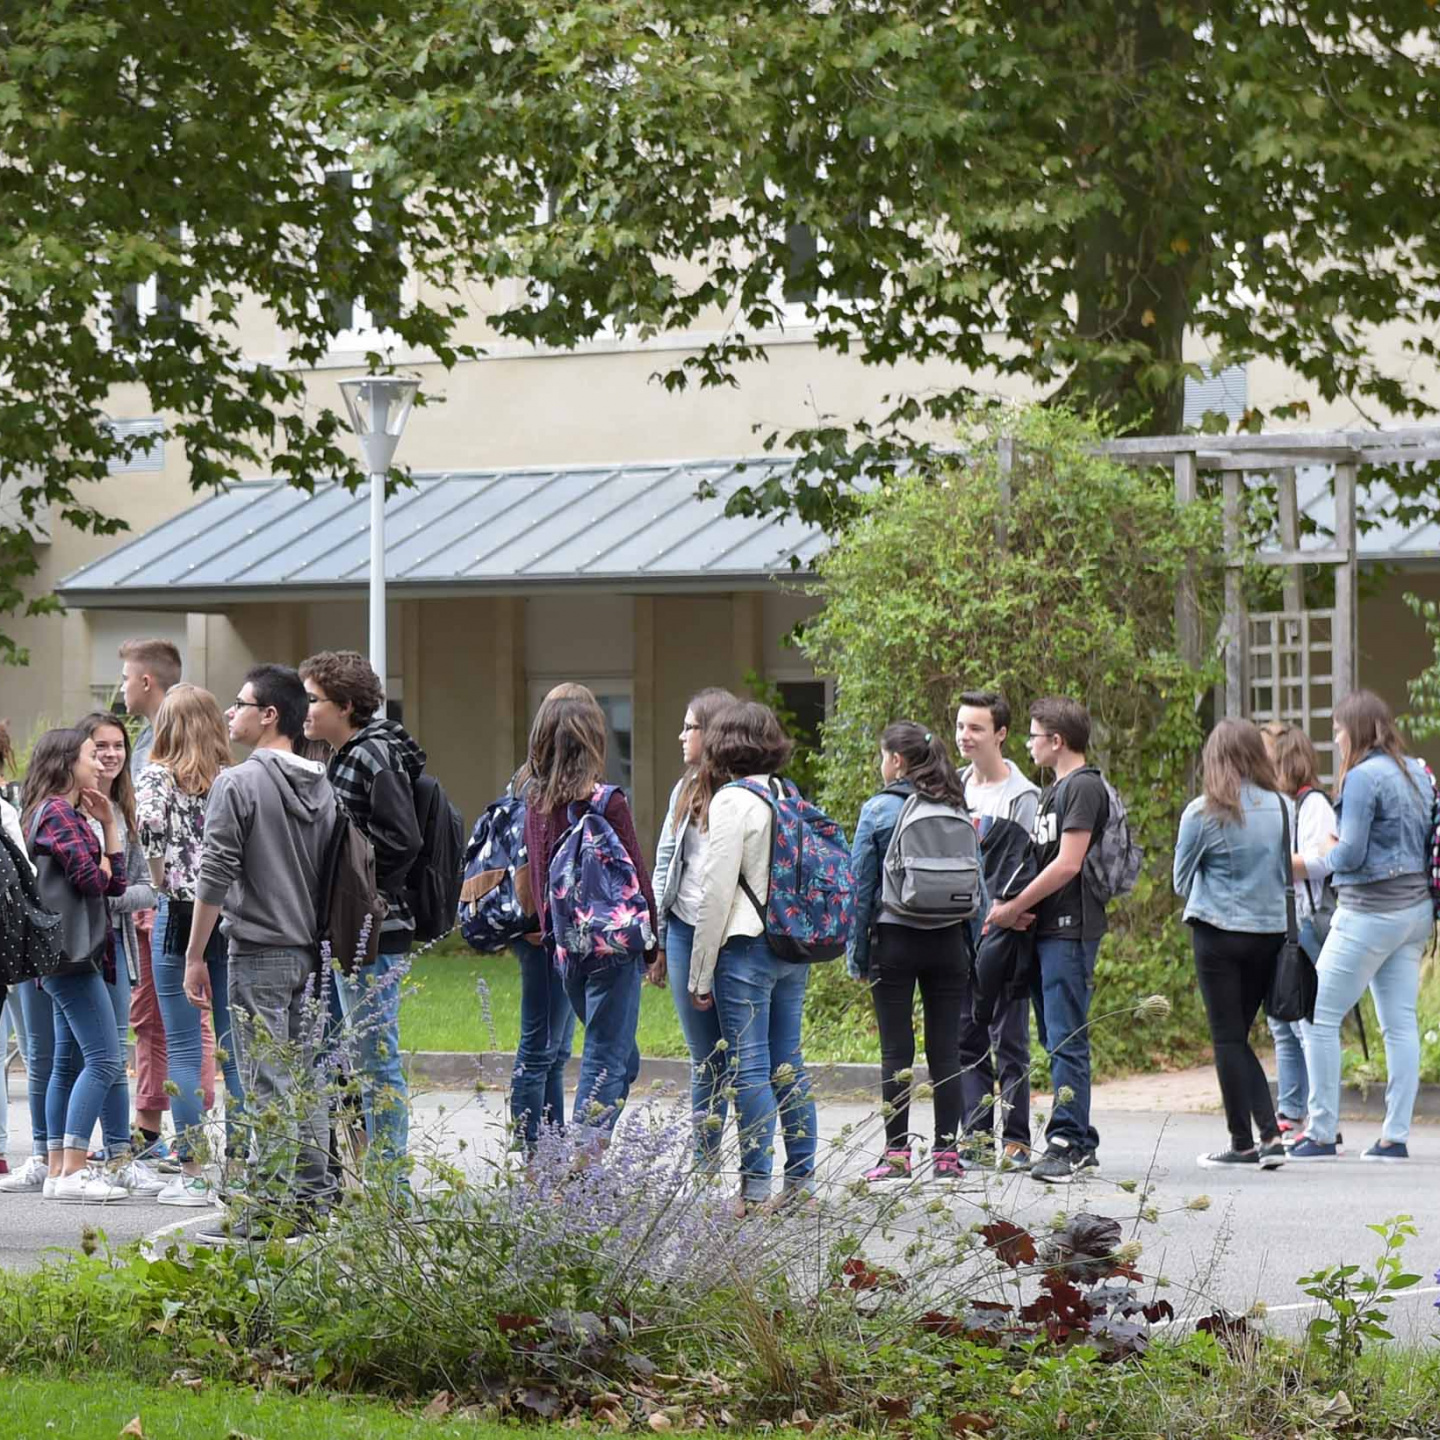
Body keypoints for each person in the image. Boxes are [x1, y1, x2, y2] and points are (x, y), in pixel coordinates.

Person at [186, 665, 338, 1242]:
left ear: (269, 714)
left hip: (256, 949)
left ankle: (269, 1210)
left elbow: (215, 873)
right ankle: (314, 1197)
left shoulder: (238, 783)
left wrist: (194, 953)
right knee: (305, 1076)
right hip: (307, 951)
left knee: (266, 1078)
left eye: (240, 703)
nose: (232, 712)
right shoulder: (321, 783)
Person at [1293, 691, 1436, 1163]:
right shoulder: (1417, 770)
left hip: (1369, 912)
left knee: (1318, 1013)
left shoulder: (1360, 777)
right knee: (1400, 1025)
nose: (1335, 740)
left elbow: (1350, 854)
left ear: (1356, 730)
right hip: (1416, 913)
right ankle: (1394, 1137)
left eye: (1338, 730)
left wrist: (1317, 856)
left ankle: (1321, 1131)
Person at [688, 701, 817, 1215]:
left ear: (724, 744)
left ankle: (754, 1191)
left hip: (745, 949)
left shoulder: (730, 802)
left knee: (751, 1070)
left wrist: (700, 975)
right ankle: (802, 1184)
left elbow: (715, 895)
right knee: (791, 1061)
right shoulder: (789, 794)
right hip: (792, 944)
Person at [300, 649, 426, 1175]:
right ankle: (368, 1171)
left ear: (346, 706)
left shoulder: (373, 755)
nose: (304, 710)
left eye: (313, 700)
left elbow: (402, 840)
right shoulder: (344, 754)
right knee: (357, 1054)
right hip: (353, 926)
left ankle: (390, 1184)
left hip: (374, 930)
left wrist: (363, 892)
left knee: (377, 1060)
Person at [524, 684, 659, 1136]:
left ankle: (584, 1162)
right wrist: (652, 942)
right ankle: (581, 1172)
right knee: (607, 1058)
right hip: (613, 947)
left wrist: (553, 937)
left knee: (622, 1056)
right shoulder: (607, 801)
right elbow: (636, 873)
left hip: (568, 952)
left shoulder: (537, 803)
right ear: (593, 739)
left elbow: (541, 877)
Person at [986, 698, 1109, 1184]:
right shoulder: (1054, 790)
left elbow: (1069, 863)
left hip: (1070, 932)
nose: (1029, 743)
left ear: (1057, 741)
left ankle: (1067, 1141)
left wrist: (1016, 907)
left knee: (1066, 1037)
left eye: (1034, 735)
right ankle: (1079, 1132)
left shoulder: (1081, 787)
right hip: (1046, 932)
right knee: (1055, 1036)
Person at [849, 721, 977, 1183]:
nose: (881, 764)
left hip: (896, 939)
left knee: (896, 1051)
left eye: (883, 756)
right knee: (946, 1051)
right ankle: (947, 1154)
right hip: (948, 941)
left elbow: (861, 889)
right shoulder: (956, 803)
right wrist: (973, 947)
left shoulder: (879, 809)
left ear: (897, 761)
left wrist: (856, 953)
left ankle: (897, 1154)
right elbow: (974, 882)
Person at [136, 684, 245, 1206]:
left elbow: (151, 828)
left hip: (178, 913)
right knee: (237, 1047)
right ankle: (247, 1166)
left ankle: (196, 1170)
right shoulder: (233, 778)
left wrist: (159, 878)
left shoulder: (156, 775)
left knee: (183, 1043)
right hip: (231, 913)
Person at [16, 729, 130, 1202]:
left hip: (69, 957)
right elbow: (92, 879)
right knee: (105, 1059)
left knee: (67, 1062)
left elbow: (115, 882)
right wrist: (109, 841)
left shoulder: (57, 813)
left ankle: (61, 1168)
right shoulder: (59, 813)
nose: (98, 762)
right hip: (72, 957)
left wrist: (106, 831)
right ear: (68, 763)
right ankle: (74, 1170)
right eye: (89, 754)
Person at [1173, 720, 1290, 1170]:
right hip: (1269, 934)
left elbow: (1182, 881)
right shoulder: (1283, 807)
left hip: (1218, 933)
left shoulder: (1203, 812)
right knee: (1237, 1038)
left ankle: (1256, 1139)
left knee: (1228, 1039)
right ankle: (1254, 1139)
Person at [74, 713, 163, 1196]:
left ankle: (117, 1154)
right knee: (79, 1057)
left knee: (110, 1054)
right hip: (70, 950)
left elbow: (148, 889)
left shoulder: (126, 808)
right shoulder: (66, 808)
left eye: (117, 746)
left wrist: (106, 896)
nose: (110, 755)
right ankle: (65, 1160)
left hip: (112, 947)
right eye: (100, 746)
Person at [956, 691, 1040, 1167]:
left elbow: (1025, 867)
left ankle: (1017, 1138)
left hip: (1007, 934)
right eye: (961, 726)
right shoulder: (952, 787)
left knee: (1009, 1037)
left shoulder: (1022, 795)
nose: (965, 737)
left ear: (1001, 734)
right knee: (966, 1035)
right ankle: (974, 1138)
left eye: (976, 728)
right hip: (959, 931)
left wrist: (1008, 911)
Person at [653, 687, 736, 1170]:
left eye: (690, 726)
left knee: (744, 1057)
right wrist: (660, 937)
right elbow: (667, 861)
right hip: (685, 931)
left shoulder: (744, 792)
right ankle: (705, 1165)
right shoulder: (683, 790)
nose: (682, 735)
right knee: (704, 1058)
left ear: (714, 732)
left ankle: (755, 1171)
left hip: (736, 938)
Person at [119, 638, 183, 1166]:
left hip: (166, 897)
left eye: (124, 677)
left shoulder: (173, 736)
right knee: (147, 1018)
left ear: (146, 681)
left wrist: (156, 888)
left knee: (184, 1022)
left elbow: (159, 826)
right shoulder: (145, 736)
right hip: (146, 894)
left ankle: (192, 1143)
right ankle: (148, 1130)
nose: (120, 687)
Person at [1263, 724, 1340, 1140]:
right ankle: (1290, 1111)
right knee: (1282, 1021)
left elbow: (1323, 862)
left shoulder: (1313, 806)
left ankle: (1314, 1115)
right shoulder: (1283, 805)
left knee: (1304, 1022)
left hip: (1306, 923)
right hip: (1284, 923)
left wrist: (1270, 860)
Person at [499, 763, 575, 1154]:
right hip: (541, 932)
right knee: (540, 1048)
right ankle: (534, 1153)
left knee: (555, 1052)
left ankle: (550, 1148)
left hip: (550, 931)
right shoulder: (542, 786)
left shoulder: (532, 779)